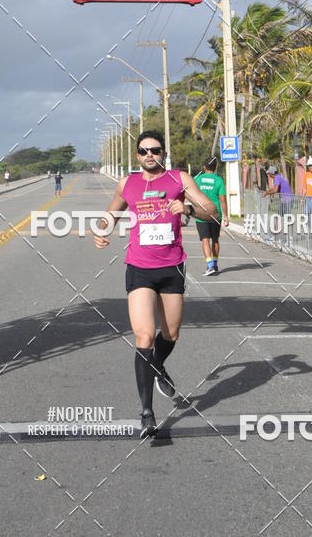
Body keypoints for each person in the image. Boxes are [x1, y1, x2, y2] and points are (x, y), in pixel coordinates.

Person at [93, 129, 216, 439]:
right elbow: (112, 213)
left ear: (164, 153)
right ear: (137, 155)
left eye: (156, 150)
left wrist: (187, 209)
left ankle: (159, 364)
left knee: (171, 333)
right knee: (144, 336)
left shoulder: (179, 179)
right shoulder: (128, 183)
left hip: (172, 267)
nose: (150, 155)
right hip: (139, 268)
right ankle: (147, 413)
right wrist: (101, 230)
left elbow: (211, 210)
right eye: (144, 151)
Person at [194, 157, 228, 276]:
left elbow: (191, 193)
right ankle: (215, 263)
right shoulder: (219, 180)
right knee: (215, 239)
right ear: (215, 167)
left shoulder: (198, 179)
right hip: (215, 214)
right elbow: (222, 199)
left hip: (201, 214)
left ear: (204, 167)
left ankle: (209, 265)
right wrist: (225, 216)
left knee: (205, 239)